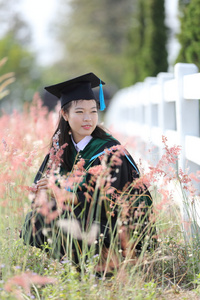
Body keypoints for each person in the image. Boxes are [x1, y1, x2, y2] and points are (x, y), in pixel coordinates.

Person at [21, 72, 154, 269]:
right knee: (35, 219)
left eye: (93, 111)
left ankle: (109, 261)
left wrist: (60, 193)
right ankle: (73, 263)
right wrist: (41, 192)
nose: (88, 118)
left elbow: (108, 202)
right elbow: (42, 185)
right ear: (65, 115)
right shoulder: (60, 149)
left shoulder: (110, 150)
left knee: (65, 222)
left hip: (112, 225)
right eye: (80, 112)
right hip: (78, 221)